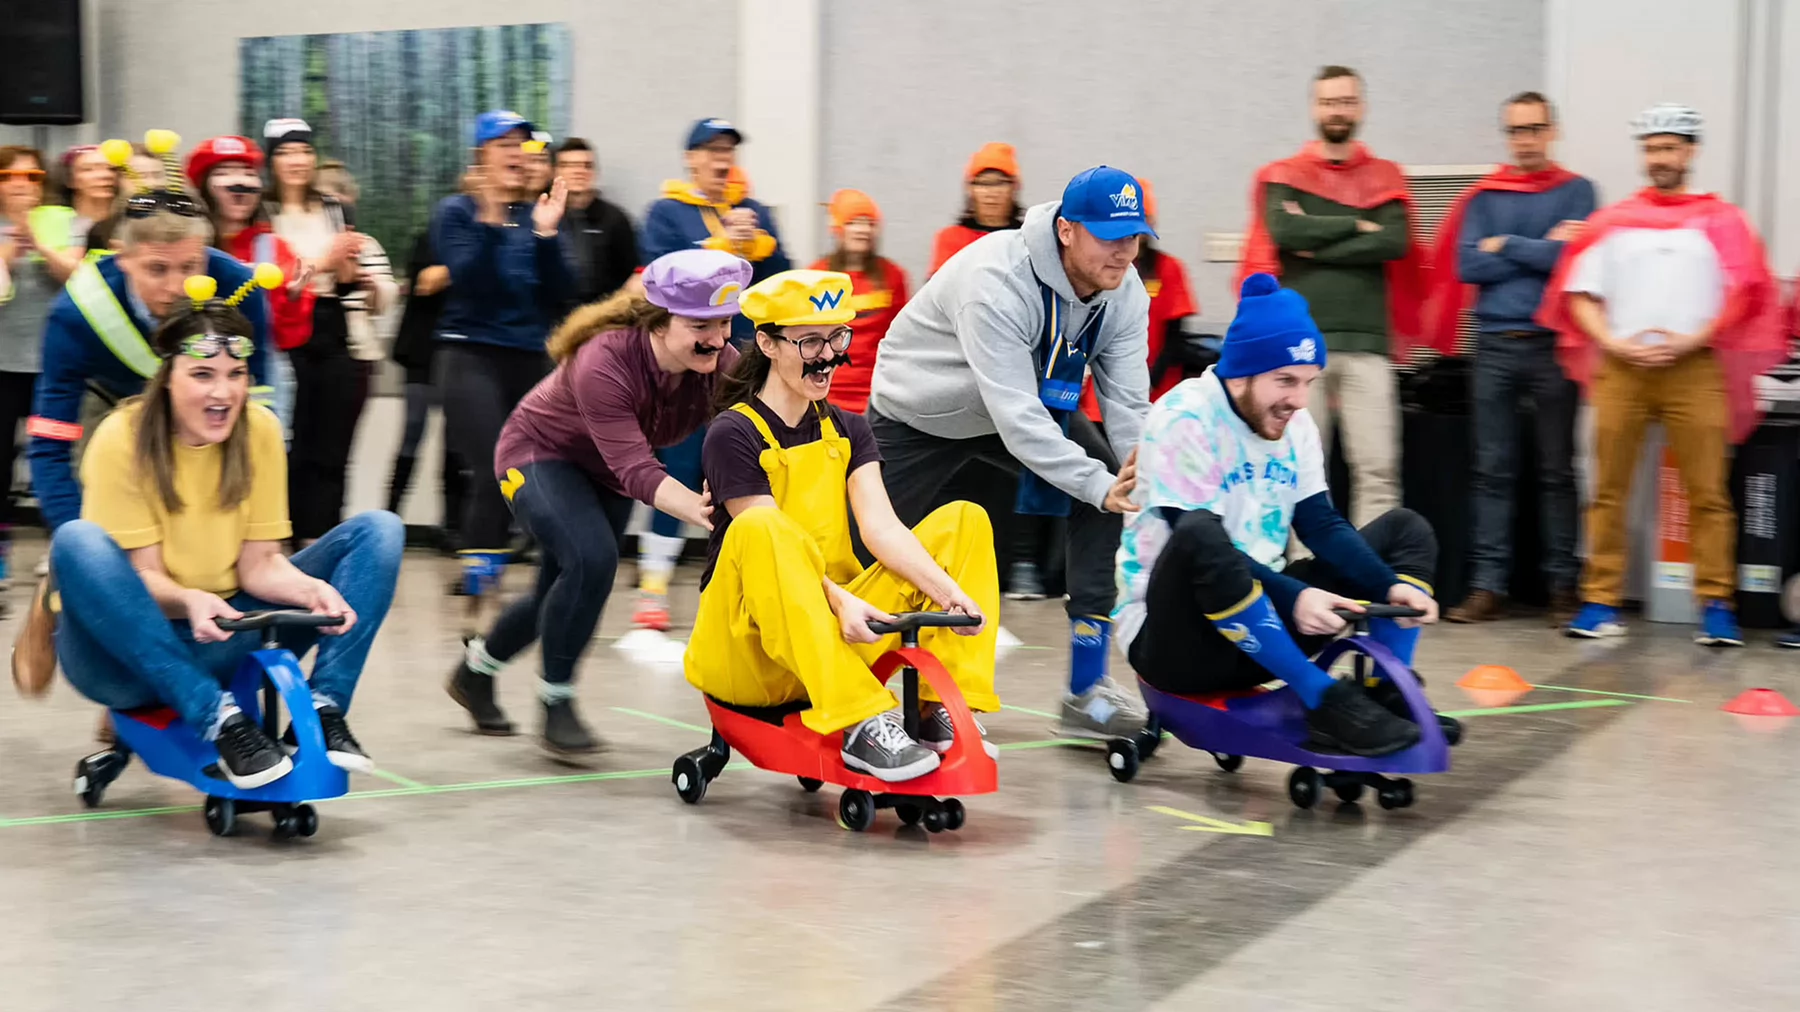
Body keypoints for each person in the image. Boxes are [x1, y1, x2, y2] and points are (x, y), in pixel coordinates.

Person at [46, 273, 401, 787]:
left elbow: (258, 565)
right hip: (118, 656)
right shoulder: (120, 438)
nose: (224, 392)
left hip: (219, 634)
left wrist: (310, 590)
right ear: (167, 377)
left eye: (236, 374)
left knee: (380, 531)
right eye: (203, 374)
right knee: (76, 540)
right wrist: (190, 600)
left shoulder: (258, 429)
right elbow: (139, 581)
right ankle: (215, 715)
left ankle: (324, 711)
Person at [867, 165, 1152, 741]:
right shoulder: (998, 281)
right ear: (1068, 230)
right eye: (1108, 236)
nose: (1124, 252)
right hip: (919, 413)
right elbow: (1018, 419)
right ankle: (844, 688)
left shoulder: (1124, 292)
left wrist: (1144, 481)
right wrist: (1100, 482)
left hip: (1021, 406)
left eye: (1133, 236)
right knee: (865, 546)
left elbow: (1129, 408)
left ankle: (1086, 690)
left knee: (1104, 504)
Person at [685, 269, 998, 782]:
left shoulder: (849, 428)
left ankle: (941, 709)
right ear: (767, 343)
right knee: (764, 529)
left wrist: (949, 593)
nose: (828, 355)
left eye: (837, 338)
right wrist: (838, 599)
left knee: (965, 520)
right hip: (750, 646)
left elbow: (882, 528)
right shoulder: (732, 433)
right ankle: (860, 718)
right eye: (810, 341)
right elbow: (769, 547)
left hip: (835, 626)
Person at [1118, 272, 1444, 756]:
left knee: (1406, 530)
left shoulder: (1296, 424)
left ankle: (1385, 696)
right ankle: (1325, 702)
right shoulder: (1183, 416)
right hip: (1173, 644)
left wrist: (1387, 584)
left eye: (1309, 383)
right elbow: (1194, 541)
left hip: (1258, 632)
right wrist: (1296, 597)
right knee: (1201, 532)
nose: (1299, 400)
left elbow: (1322, 526)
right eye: (1286, 381)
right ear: (1241, 373)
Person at [446, 250, 744, 754]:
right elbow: (637, 468)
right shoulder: (605, 358)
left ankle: (475, 673)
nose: (716, 339)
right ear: (660, 320)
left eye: (725, 323)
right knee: (592, 559)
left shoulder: (721, 365)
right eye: (700, 325)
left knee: (557, 594)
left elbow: (760, 428)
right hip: (538, 456)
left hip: (604, 474)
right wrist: (703, 510)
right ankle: (555, 701)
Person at [1540, 103, 1786, 646]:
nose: (1661, 158)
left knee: (1709, 492)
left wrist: (1693, 339)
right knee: (1607, 489)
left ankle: (1716, 604)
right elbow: (1579, 294)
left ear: (1691, 152)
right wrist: (1613, 342)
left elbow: (1744, 294)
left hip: (1694, 368)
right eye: (1652, 148)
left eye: (1671, 147)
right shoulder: (1614, 223)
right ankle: (1600, 601)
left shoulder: (1721, 222)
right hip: (1623, 369)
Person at [1424, 93, 1597, 627]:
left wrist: (1508, 245)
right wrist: (1536, 248)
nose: (1524, 140)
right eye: (1515, 131)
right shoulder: (1484, 196)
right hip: (1495, 345)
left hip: (1552, 346)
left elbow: (1574, 258)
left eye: (1534, 129)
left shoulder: (1578, 191)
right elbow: (1468, 264)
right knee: (1491, 471)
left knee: (1556, 471)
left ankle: (1564, 588)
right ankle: (1487, 587)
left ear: (1553, 131)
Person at [1238, 65, 1427, 527]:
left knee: (1378, 468)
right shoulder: (1283, 175)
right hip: (1300, 349)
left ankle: (1369, 582)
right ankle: (1306, 577)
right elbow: (1284, 230)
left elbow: (1395, 241)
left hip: (1369, 345)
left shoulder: (1386, 176)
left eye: (1345, 101)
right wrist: (1358, 223)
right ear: (1313, 108)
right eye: (1328, 102)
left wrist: (1316, 242)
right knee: (1301, 468)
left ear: (1359, 108)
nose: (1336, 110)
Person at [634, 118, 790, 629]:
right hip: (686, 366)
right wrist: (721, 247)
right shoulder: (667, 212)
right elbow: (660, 274)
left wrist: (760, 248)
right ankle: (653, 588)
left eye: (729, 149)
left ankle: (746, 587)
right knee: (679, 468)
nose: (723, 158)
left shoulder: (755, 212)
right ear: (692, 158)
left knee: (749, 471)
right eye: (712, 149)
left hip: (745, 367)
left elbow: (784, 281)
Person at [431, 110, 574, 587]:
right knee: (496, 463)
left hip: (529, 354)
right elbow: (469, 281)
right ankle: (480, 572)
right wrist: (490, 217)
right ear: (481, 157)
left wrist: (548, 234)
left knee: (538, 466)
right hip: (469, 354)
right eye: (504, 144)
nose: (517, 153)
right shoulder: (456, 212)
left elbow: (561, 293)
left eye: (523, 144)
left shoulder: (538, 213)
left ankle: (522, 562)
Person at [264, 118, 372, 542]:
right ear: (271, 160)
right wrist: (321, 262)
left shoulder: (333, 207)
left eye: (304, 151)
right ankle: (278, 541)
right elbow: (272, 276)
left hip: (331, 322)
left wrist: (348, 270)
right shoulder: (261, 209)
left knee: (332, 447)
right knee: (287, 447)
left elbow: (343, 279)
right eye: (286, 152)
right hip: (282, 327)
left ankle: (322, 541)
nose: (297, 160)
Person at [185, 135, 315, 433]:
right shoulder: (185, 246)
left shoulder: (275, 248)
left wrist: (293, 299)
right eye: (225, 172)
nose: (239, 182)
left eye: (247, 173)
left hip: (260, 385)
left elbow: (286, 338)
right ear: (204, 185)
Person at [385, 220, 464, 544]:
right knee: (412, 432)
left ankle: (452, 526)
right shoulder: (434, 233)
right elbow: (424, 283)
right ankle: (389, 518)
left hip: (461, 349)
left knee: (456, 443)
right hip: (422, 349)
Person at [0, 147, 57, 593]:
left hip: (50, 363)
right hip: (2, 364)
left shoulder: (64, 221)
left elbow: (74, 276)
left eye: (32, 175)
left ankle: (56, 553)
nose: (22, 183)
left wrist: (38, 242)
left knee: (51, 462)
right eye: (10, 175)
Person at [808, 189, 908, 415]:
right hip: (825, 395)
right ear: (838, 229)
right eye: (854, 222)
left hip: (878, 396)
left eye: (870, 223)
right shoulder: (815, 276)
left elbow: (903, 340)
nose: (863, 229)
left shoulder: (893, 276)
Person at [313, 160, 398, 380]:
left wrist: (373, 288)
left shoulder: (365, 245)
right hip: (310, 347)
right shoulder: (304, 245)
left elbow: (387, 294)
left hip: (356, 349)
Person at [554, 138, 638, 305]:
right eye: (569, 165)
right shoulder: (544, 216)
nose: (579, 171)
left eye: (587, 165)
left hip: (601, 317)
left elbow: (632, 275)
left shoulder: (615, 219)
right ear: (555, 171)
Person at [929, 143, 1024, 276]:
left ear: (1015, 187)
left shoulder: (1027, 238)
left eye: (1000, 183)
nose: (991, 193)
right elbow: (939, 291)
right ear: (970, 189)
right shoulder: (951, 239)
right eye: (983, 183)